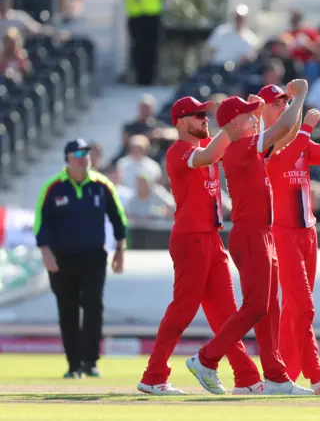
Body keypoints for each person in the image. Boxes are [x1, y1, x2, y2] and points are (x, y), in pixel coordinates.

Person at [186, 80, 315, 396]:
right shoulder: (240, 146)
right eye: (248, 116)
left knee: (270, 307)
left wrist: (290, 106)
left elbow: (286, 130)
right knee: (257, 305)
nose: (254, 117)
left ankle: (276, 377)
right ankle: (206, 359)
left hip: (261, 233)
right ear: (233, 123)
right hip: (251, 234)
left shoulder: (246, 144)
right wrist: (299, 97)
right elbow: (281, 128)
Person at [138, 97, 262, 396]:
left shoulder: (206, 145)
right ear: (181, 122)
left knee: (226, 313)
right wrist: (233, 124)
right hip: (191, 238)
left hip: (210, 237)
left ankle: (246, 377)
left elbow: (245, 142)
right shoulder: (179, 150)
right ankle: (154, 376)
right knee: (183, 309)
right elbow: (207, 156)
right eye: (197, 115)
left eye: (205, 113)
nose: (205, 118)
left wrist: (251, 116)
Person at [257, 84, 320, 395]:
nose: (284, 105)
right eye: (277, 102)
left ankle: (282, 375)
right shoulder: (263, 145)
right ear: (263, 110)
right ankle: (316, 374)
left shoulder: (299, 144)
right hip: (282, 233)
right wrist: (308, 127)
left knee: (294, 310)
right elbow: (283, 163)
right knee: (303, 306)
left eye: (287, 100)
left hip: (308, 232)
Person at [34, 139, 127, 379]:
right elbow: (40, 223)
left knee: (93, 306)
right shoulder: (53, 187)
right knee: (68, 310)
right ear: (67, 158)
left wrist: (120, 249)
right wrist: (46, 253)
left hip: (93, 257)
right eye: (77, 153)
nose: (83, 157)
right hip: (61, 258)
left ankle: (90, 361)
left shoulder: (101, 184)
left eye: (86, 153)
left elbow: (118, 218)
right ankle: (73, 365)